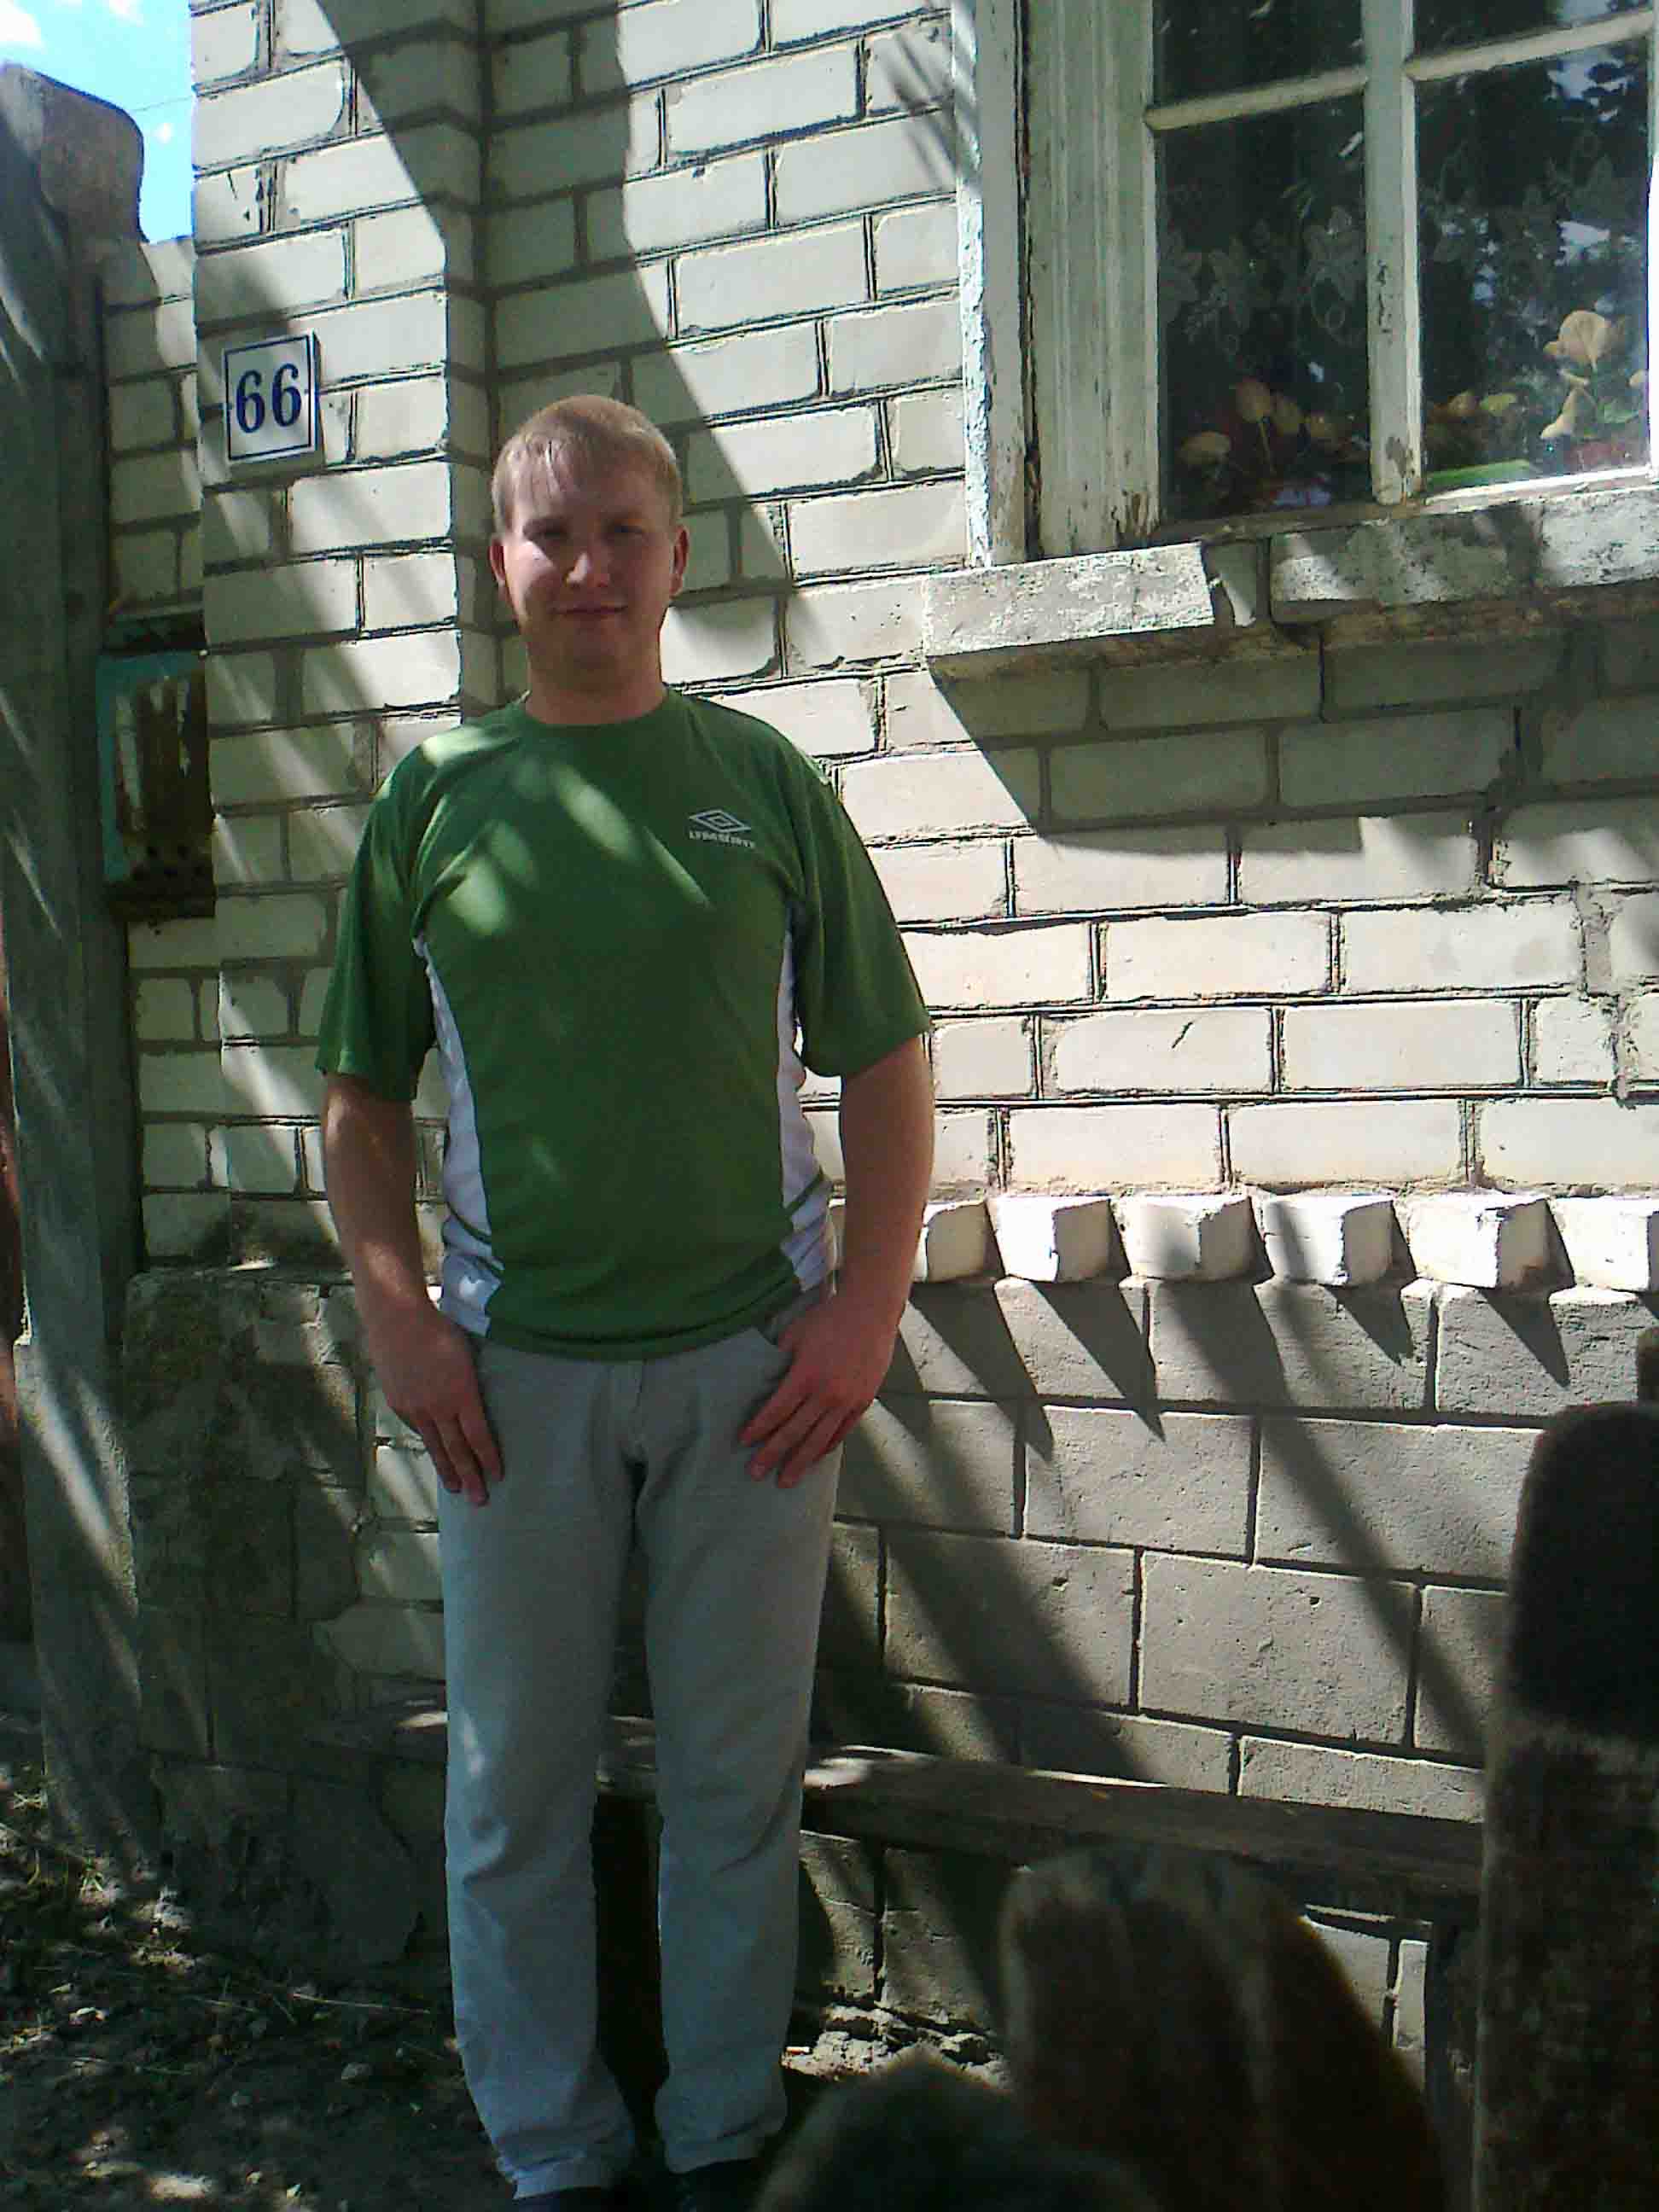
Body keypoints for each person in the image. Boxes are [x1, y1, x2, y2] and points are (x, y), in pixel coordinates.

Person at [316, 395, 934, 2211]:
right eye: (552, 534)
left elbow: (888, 1061)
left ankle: (722, 2132)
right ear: (499, 563)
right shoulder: (434, 801)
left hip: (758, 1371)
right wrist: (402, 1323)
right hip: (511, 1385)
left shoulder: (764, 786)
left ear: (678, 559)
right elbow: (359, 1102)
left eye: (623, 534)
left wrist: (864, 1313)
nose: (588, 567)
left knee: (737, 1781)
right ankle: (554, 2150)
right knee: (514, 1787)